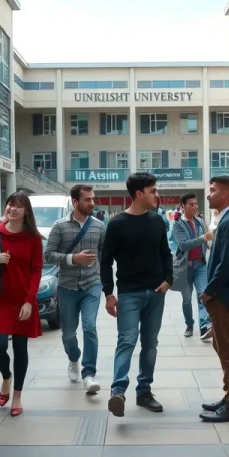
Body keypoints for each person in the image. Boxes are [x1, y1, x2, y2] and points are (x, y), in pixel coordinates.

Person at [101, 172, 172, 417]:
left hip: (156, 293)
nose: (157, 195)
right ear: (139, 194)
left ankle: (144, 392)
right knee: (127, 341)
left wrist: (168, 281)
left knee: (150, 344)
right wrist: (109, 294)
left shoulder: (157, 221)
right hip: (129, 294)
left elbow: (166, 254)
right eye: (153, 191)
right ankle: (118, 392)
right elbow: (105, 261)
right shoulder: (117, 223)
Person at [0, 191, 44, 417]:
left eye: (18, 206)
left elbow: (37, 270)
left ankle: (17, 396)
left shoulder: (33, 238)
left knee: (20, 348)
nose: (12, 209)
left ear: (26, 211)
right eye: (10, 204)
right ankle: (6, 378)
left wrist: (30, 301)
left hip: (22, 301)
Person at [43, 184, 106, 395]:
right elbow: (48, 254)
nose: (92, 203)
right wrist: (72, 259)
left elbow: (104, 256)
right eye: (87, 199)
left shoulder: (99, 226)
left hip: (91, 284)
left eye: (93, 199)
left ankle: (89, 374)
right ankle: (73, 359)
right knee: (68, 334)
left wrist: (109, 288)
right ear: (75, 202)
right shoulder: (59, 226)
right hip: (67, 287)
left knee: (90, 327)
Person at [199, 176, 229, 423]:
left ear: (226, 194)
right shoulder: (227, 220)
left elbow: (226, 264)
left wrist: (209, 291)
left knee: (227, 349)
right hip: (221, 295)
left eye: (213, 190)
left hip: (222, 296)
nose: (208, 195)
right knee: (222, 346)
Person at [170, 193, 213, 340]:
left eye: (196, 204)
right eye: (191, 204)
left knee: (203, 294)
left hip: (201, 265)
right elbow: (183, 245)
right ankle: (189, 324)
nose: (195, 207)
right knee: (187, 299)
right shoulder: (178, 225)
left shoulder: (200, 221)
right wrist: (202, 239)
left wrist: (209, 244)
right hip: (185, 267)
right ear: (183, 206)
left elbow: (208, 240)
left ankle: (204, 326)